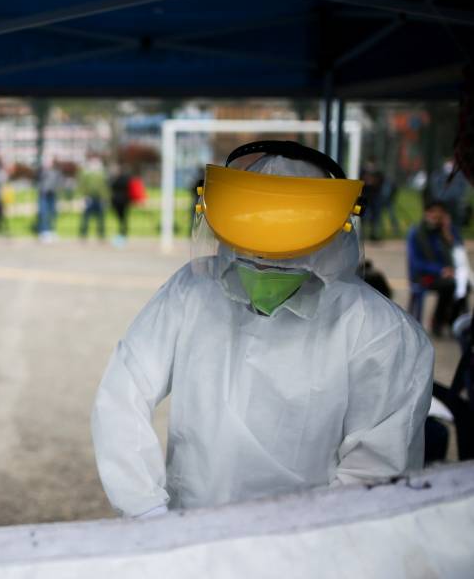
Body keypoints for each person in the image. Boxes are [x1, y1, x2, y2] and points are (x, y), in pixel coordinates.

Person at [92, 140, 433, 518]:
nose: (264, 265)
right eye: (250, 252)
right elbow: (123, 393)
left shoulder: (381, 333)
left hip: (308, 549)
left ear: (331, 240)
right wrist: (146, 511)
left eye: (284, 257)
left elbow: (376, 473)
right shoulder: (192, 293)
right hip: (192, 532)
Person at [407, 200, 468, 336]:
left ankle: (451, 321)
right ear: (426, 213)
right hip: (424, 276)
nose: (436, 216)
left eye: (440, 214)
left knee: (463, 286)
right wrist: (440, 270)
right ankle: (438, 321)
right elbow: (417, 263)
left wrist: (448, 234)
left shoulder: (445, 231)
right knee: (451, 285)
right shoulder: (417, 233)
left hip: (446, 274)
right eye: (433, 213)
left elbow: (459, 254)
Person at [78, 156, 108, 240]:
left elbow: (104, 187)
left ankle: (101, 233)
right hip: (89, 198)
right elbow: (82, 186)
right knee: (86, 217)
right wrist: (83, 197)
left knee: (101, 217)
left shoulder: (102, 174)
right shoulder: (86, 174)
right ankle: (83, 233)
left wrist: (105, 197)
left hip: (99, 198)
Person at [36, 160, 62, 242]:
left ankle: (51, 231)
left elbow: (58, 182)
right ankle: (43, 232)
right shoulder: (43, 172)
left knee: (53, 213)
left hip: (52, 194)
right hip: (44, 194)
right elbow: (38, 178)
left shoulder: (56, 172)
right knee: (43, 213)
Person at [361, 158, 385, 241]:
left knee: (375, 217)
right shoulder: (363, 171)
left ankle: (373, 234)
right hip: (365, 197)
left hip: (374, 197)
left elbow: (381, 182)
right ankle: (362, 233)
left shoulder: (378, 173)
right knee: (363, 216)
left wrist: (374, 182)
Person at [110, 165, 131, 246]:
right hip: (123, 201)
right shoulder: (126, 179)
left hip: (119, 201)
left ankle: (122, 233)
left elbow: (111, 187)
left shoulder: (116, 180)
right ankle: (123, 233)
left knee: (122, 218)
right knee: (123, 218)